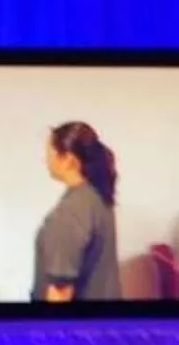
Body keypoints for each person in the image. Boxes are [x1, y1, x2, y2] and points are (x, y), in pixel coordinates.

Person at [33, 121, 122, 303]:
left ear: (68, 160)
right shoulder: (96, 195)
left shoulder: (70, 211)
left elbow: (60, 292)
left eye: (51, 154)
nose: (46, 160)